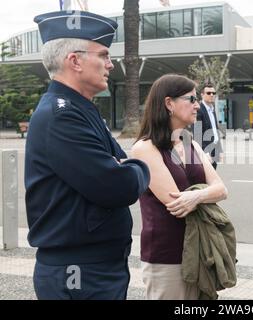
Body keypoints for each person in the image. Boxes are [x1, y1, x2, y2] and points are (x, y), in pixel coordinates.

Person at [25, 11, 150, 300]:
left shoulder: (79, 109)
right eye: (103, 55)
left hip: (92, 267)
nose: (110, 63)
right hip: (79, 272)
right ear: (75, 61)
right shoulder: (62, 116)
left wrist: (126, 166)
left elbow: (121, 166)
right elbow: (120, 186)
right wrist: (137, 167)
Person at [131, 74, 228, 300]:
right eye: (191, 99)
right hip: (166, 253)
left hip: (201, 250)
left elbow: (221, 189)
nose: (197, 105)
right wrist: (204, 194)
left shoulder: (189, 141)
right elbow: (176, 203)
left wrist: (195, 197)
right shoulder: (144, 148)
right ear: (168, 104)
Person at [193, 83, 223, 169]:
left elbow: (215, 130)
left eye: (213, 93)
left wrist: (219, 149)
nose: (212, 95)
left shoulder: (212, 109)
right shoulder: (199, 110)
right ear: (202, 94)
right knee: (205, 178)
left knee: (212, 176)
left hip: (214, 149)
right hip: (206, 150)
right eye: (208, 93)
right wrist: (204, 153)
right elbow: (197, 134)